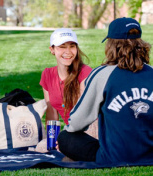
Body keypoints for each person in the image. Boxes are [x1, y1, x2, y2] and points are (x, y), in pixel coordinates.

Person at [57, 17, 153, 164]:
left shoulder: (102, 74)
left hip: (113, 157)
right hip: (150, 155)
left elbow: (77, 122)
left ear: (111, 45)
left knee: (65, 138)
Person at [39, 28, 94, 128]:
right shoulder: (47, 75)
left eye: (72, 46)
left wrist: (66, 138)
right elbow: (51, 113)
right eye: (62, 47)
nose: (68, 51)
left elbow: (84, 114)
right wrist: (52, 140)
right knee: (44, 144)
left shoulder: (85, 73)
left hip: (90, 130)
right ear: (52, 50)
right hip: (72, 131)